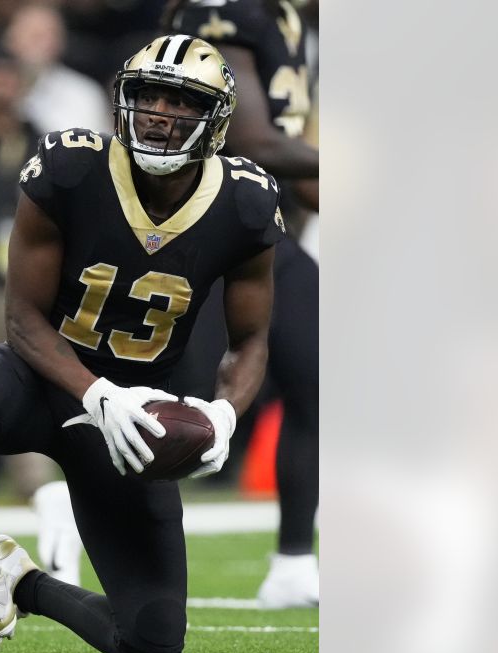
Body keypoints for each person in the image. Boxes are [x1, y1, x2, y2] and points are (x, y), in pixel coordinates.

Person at [0, 34, 283, 653]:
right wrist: (93, 390)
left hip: (134, 424)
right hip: (45, 379)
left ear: (216, 122)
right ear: (123, 101)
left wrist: (224, 414)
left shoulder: (246, 203)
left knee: (152, 643)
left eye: (183, 101)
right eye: (149, 96)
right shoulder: (72, 167)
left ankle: (21, 584)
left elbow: (250, 340)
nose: (162, 113)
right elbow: (22, 317)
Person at [165, 0, 321, 608]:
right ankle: (74, 518)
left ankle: (292, 562)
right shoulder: (227, 12)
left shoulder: (283, 18)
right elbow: (250, 140)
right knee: (179, 404)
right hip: (208, 224)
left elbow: (284, 156)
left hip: (251, 225)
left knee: (313, 388)